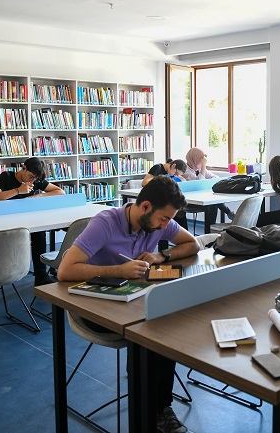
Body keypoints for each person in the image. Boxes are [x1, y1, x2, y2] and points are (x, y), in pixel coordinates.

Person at [57, 175, 199, 433]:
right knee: (152, 330)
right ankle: (150, 412)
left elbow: (193, 244)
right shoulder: (105, 223)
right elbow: (65, 271)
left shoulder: (158, 221)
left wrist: (162, 255)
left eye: (168, 220)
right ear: (145, 207)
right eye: (163, 219)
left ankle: (159, 408)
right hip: (95, 305)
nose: (165, 225)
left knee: (165, 321)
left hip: (133, 300)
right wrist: (118, 270)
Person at [0, 157, 65, 286]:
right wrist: (18, 190)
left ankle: (40, 276)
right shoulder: (6, 177)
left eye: (34, 179)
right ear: (23, 168)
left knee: (39, 234)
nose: (32, 181)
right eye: (30, 177)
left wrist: (39, 196)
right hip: (6, 220)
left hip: (27, 220)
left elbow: (60, 192)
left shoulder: (35, 180)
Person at [182, 147, 234, 232]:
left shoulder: (199, 168)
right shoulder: (185, 170)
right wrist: (203, 167)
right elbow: (199, 182)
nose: (202, 163)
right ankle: (228, 213)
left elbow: (215, 178)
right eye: (201, 160)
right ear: (194, 159)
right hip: (190, 201)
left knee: (213, 203)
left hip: (201, 198)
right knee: (212, 204)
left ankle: (209, 231)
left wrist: (204, 171)